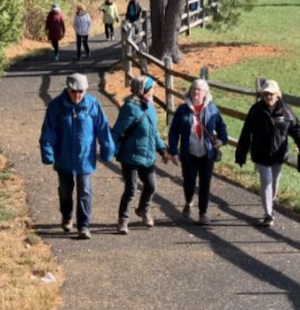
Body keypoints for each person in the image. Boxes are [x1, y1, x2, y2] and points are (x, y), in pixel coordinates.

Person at [39, 73, 115, 240]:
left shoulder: (93, 105)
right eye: (74, 91)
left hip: (84, 157)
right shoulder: (56, 106)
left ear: (86, 90)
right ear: (68, 89)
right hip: (63, 156)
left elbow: (103, 128)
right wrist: (47, 152)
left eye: (81, 91)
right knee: (65, 191)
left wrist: (107, 148)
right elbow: (48, 131)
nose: (77, 95)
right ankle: (67, 215)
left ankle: (83, 226)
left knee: (85, 192)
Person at [235, 80, 300, 227]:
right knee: (266, 181)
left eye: (270, 94)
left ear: (278, 95)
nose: (268, 97)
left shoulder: (286, 111)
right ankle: (268, 214)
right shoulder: (256, 110)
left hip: (279, 155)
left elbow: (296, 129)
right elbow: (246, 132)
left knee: (274, 182)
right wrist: (241, 153)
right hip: (260, 154)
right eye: (265, 94)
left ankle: (271, 201)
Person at [111, 76, 170, 234]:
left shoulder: (150, 107)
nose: (154, 91)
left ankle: (143, 209)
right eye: (152, 88)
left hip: (148, 155)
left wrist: (162, 150)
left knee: (151, 186)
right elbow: (117, 131)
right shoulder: (130, 108)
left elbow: (154, 133)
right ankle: (123, 220)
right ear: (142, 90)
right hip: (130, 156)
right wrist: (109, 148)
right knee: (131, 188)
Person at [168, 79, 228, 225]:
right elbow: (174, 132)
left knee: (205, 183)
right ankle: (189, 201)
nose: (196, 92)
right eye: (194, 89)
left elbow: (222, 127)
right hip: (189, 153)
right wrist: (173, 152)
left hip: (207, 154)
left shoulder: (212, 108)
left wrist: (222, 140)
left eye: (199, 90)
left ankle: (203, 213)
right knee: (189, 182)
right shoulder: (182, 109)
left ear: (205, 93)